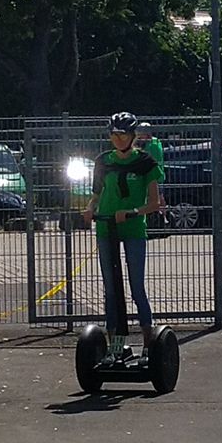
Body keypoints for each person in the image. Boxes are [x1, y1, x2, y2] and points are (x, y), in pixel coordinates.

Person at [87, 110, 163, 345]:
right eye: (114, 135)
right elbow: (97, 194)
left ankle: (149, 340)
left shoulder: (145, 162)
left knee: (136, 286)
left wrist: (133, 212)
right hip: (106, 228)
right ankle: (115, 343)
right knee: (110, 288)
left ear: (133, 136)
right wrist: (90, 209)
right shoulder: (103, 161)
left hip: (133, 229)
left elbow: (154, 203)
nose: (118, 139)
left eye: (123, 135)